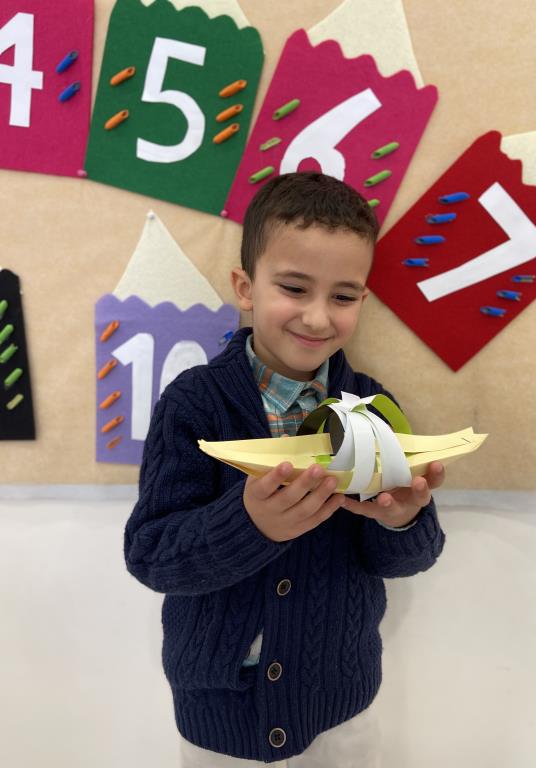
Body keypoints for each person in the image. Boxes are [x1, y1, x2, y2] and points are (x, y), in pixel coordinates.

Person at [124, 172, 446, 767]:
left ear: (363, 301)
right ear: (246, 287)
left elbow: (409, 560)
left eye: (343, 297)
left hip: (340, 711)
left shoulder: (372, 406)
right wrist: (249, 523)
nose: (318, 318)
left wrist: (402, 520)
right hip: (219, 715)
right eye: (295, 288)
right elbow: (150, 555)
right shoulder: (194, 404)